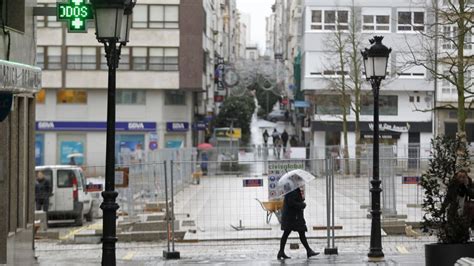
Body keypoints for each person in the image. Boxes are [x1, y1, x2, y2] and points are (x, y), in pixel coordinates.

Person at [278, 187, 319, 260]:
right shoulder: (292, 190)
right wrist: (302, 205)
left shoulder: (293, 189)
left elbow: (293, 200)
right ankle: (308, 251)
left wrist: (301, 200)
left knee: (298, 232)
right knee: (292, 233)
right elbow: (291, 203)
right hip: (292, 217)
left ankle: (308, 250)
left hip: (293, 216)